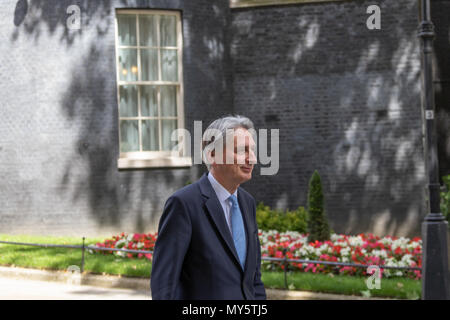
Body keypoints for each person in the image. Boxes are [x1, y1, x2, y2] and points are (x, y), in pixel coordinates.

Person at [150, 115, 266, 300]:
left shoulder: (247, 203)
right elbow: (164, 285)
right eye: (242, 151)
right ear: (212, 154)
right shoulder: (183, 204)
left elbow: (253, 279)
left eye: (252, 150)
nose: (252, 158)